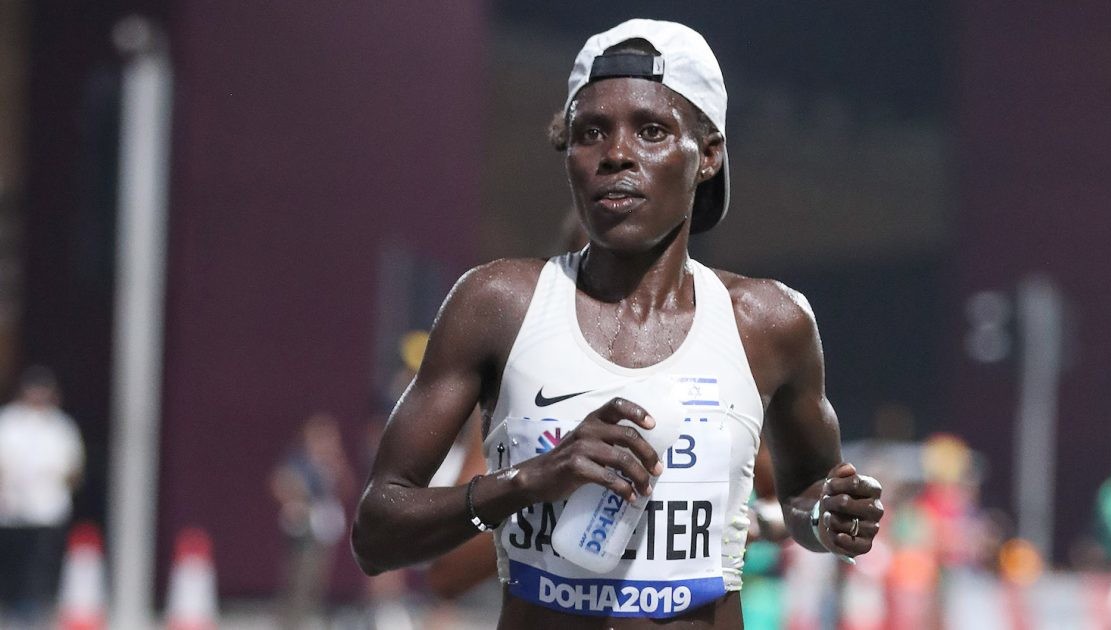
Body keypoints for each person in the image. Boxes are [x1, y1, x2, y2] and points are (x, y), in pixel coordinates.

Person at [354, 19, 884, 628]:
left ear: (709, 155)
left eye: (652, 130)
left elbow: (805, 497)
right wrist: (528, 481)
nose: (616, 154)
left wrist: (826, 518)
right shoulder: (496, 304)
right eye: (590, 132)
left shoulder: (771, 323)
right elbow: (376, 534)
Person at [0, 366, 84, 626]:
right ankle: (11, 609)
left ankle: (37, 608)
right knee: (13, 561)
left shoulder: (60, 426)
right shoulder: (9, 422)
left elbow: (73, 468)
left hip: (48, 508)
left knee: (42, 563)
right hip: (12, 508)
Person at [271, 412, 354, 629]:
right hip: (303, 527)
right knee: (299, 577)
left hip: (323, 527)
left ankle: (309, 617)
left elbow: (346, 489)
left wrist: (338, 470)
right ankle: (291, 622)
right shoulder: (299, 461)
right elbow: (280, 483)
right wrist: (296, 499)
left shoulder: (332, 464)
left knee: (318, 578)